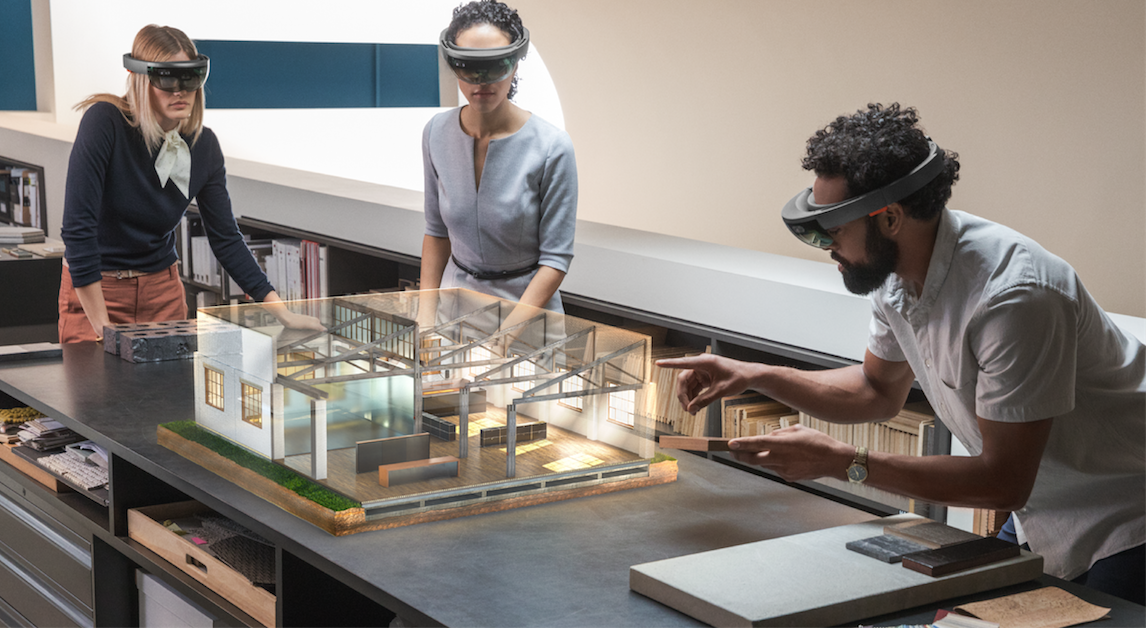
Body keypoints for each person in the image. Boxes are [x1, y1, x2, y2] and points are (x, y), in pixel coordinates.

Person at [658, 103, 1146, 604]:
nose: (826, 245)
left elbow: (1002, 481)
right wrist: (753, 374)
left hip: (1127, 515)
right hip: (1045, 512)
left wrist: (844, 461)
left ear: (889, 217)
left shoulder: (1013, 298)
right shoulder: (894, 278)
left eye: (831, 228)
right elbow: (875, 391)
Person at [59, 25, 320, 343]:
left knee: (170, 393)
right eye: (167, 78)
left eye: (191, 77)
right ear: (142, 79)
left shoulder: (203, 145)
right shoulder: (105, 123)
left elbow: (226, 239)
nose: (179, 90)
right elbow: (77, 230)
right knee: (95, 391)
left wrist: (283, 312)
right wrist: (103, 328)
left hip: (163, 294)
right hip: (99, 294)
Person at [420, 0, 578, 316]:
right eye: (468, 66)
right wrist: (424, 315)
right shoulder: (436, 133)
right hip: (453, 311)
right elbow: (436, 234)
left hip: (527, 316)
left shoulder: (552, 147)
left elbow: (555, 259)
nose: (482, 81)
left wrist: (508, 334)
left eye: (495, 65)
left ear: (516, 63)